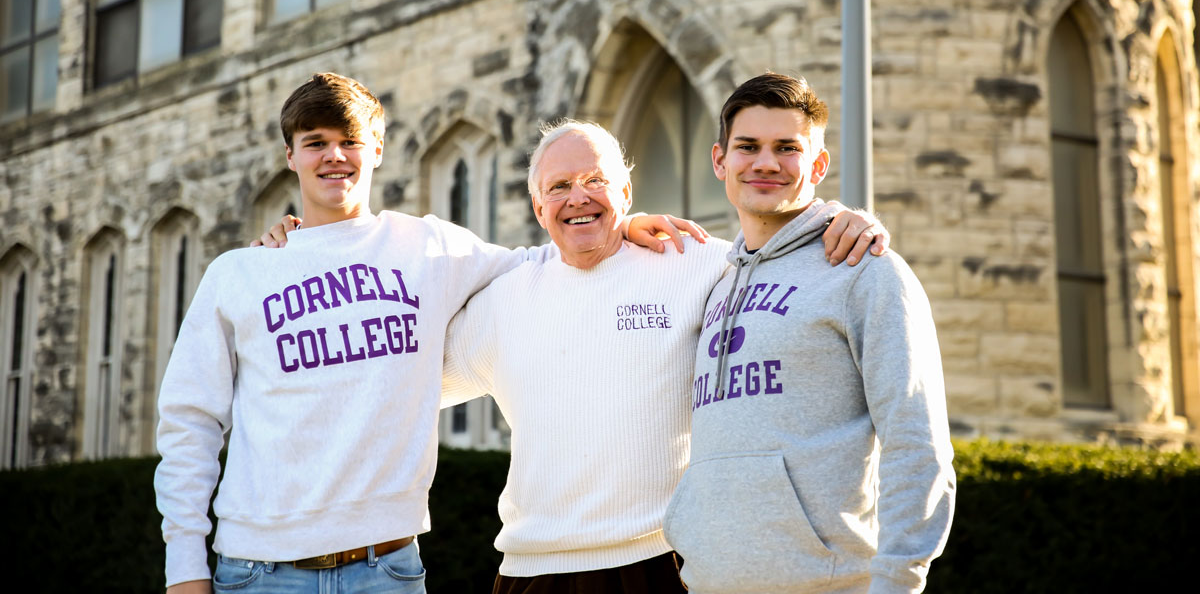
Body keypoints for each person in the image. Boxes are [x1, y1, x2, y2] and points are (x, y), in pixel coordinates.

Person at [154, 73, 698, 594]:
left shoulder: (428, 248)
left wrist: (619, 225)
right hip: (258, 573)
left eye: (351, 140)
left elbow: (543, 260)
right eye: (314, 142)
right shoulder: (241, 273)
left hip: (386, 570)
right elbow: (189, 422)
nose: (335, 156)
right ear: (290, 155)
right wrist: (183, 568)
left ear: (379, 149)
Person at [441, 120, 889, 594]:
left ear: (627, 191)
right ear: (537, 205)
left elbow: (779, 256)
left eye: (596, 181)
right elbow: (404, 383)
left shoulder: (692, 261)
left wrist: (840, 220)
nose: (578, 198)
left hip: (661, 563)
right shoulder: (503, 300)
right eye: (559, 187)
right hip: (530, 570)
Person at [662, 73, 955, 594]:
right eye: (747, 146)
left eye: (787, 148)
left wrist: (897, 584)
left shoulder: (865, 269)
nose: (766, 163)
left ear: (818, 164)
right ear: (719, 161)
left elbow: (916, 442)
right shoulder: (712, 281)